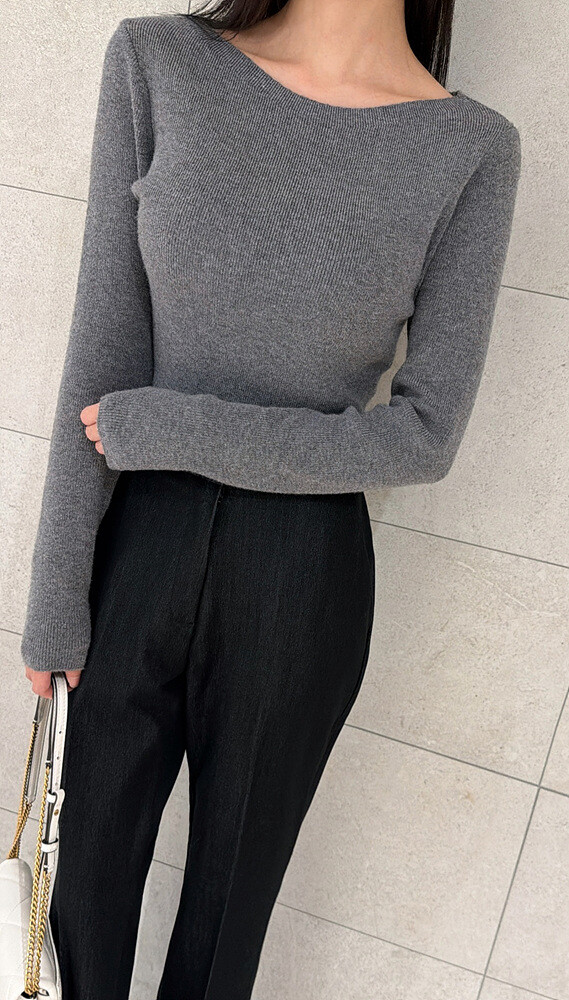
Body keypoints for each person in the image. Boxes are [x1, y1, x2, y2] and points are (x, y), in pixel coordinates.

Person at [20, 1, 522, 997]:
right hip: (135, 543)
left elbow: (424, 435)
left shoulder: (469, 148)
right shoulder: (158, 61)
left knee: (222, 942)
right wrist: (55, 596)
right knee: (68, 924)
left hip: (302, 576)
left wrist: (175, 429)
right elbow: (102, 350)